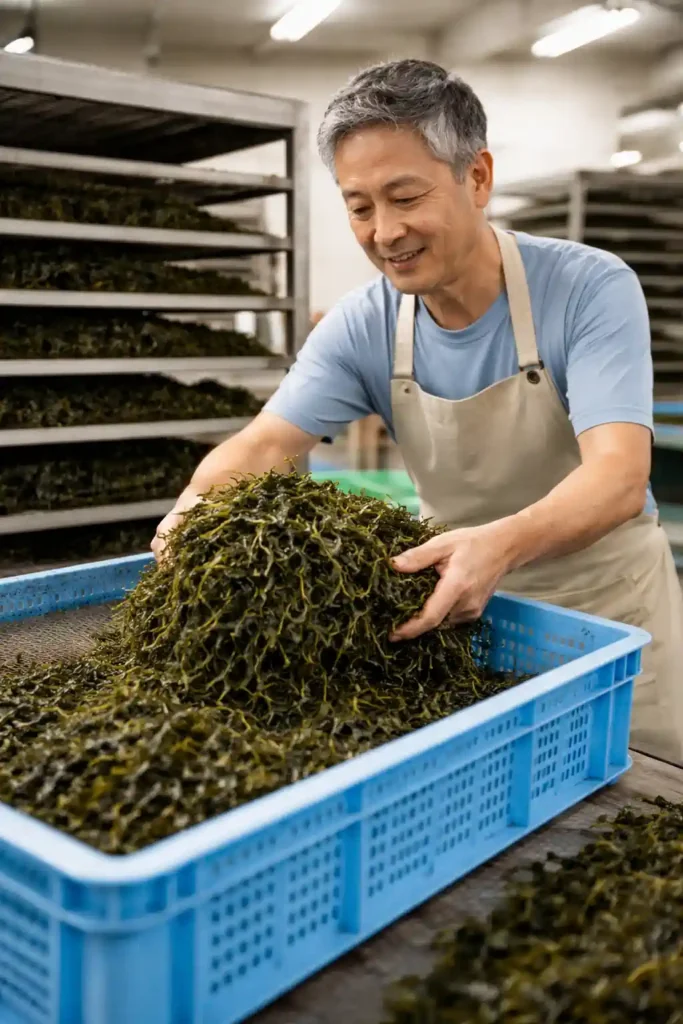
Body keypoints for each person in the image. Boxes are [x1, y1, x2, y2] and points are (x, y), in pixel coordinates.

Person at [152, 59, 683, 765]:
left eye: (405, 196)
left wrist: (499, 543)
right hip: (464, 617)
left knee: (635, 802)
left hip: (610, 620)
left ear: (477, 177)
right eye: (359, 206)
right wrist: (196, 504)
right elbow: (264, 442)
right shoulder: (363, 323)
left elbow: (618, 477)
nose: (384, 232)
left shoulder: (587, 288)